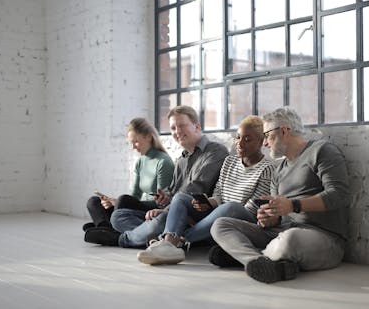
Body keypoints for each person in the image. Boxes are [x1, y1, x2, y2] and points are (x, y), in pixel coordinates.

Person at [209, 107, 351, 284]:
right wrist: (269, 218)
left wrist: (294, 205)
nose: (265, 144)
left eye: (267, 135)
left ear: (283, 131)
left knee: (291, 239)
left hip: (322, 237)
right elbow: (278, 216)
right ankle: (262, 262)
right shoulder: (279, 169)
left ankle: (247, 257)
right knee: (221, 225)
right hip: (280, 232)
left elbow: (339, 195)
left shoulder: (321, 150)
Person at [136, 115, 276, 265]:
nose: (240, 143)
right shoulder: (230, 161)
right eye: (238, 137)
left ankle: (181, 239)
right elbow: (219, 192)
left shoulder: (268, 168)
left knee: (231, 207)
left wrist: (219, 209)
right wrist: (209, 203)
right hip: (217, 216)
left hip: (241, 221)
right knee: (181, 198)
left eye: (247, 139)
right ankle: (169, 244)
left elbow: (253, 207)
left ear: (261, 142)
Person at [86, 105, 229, 248]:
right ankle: (154, 235)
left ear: (196, 126)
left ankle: (121, 238)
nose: (177, 131)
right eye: (173, 128)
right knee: (119, 216)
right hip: (171, 212)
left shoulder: (215, 151)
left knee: (161, 219)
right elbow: (172, 191)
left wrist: (165, 209)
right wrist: (164, 198)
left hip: (194, 215)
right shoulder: (181, 160)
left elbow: (196, 188)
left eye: (182, 125)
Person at [84, 117, 174, 243]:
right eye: (130, 143)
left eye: (136, 142)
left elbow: (162, 203)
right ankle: (105, 228)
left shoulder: (163, 162)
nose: (133, 147)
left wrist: (120, 202)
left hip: (153, 211)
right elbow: (135, 196)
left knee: (123, 200)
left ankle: (107, 230)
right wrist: (113, 202)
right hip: (138, 207)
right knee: (93, 202)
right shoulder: (140, 162)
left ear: (148, 137)